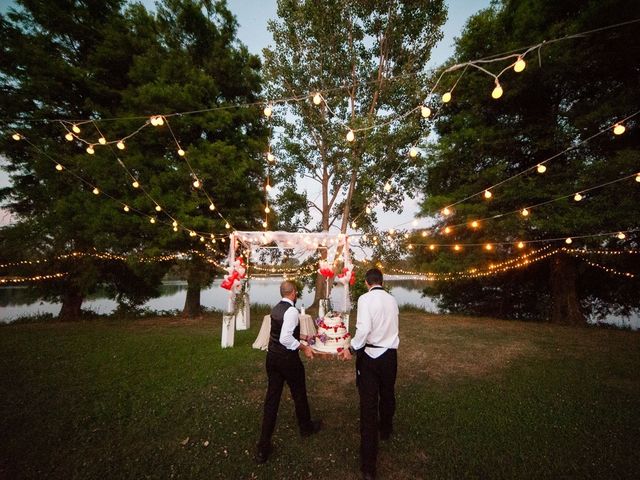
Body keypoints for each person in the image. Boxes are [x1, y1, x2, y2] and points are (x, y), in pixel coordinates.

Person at [338, 268, 399, 480]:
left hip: (371, 357)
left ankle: (368, 466)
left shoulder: (365, 299)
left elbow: (363, 330)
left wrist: (351, 349)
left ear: (366, 282)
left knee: (368, 405)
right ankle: (386, 428)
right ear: (382, 281)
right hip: (390, 356)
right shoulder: (392, 300)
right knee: (388, 393)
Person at [255, 280, 322, 464]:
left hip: (272, 359)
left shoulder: (275, 308)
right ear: (293, 292)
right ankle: (306, 427)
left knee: (272, 400)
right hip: (287, 360)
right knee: (299, 393)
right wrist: (304, 347)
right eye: (297, 291)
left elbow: (279, 333)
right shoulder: (292, 311)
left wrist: (304, 336)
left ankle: (263, 447)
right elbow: (285, 338)